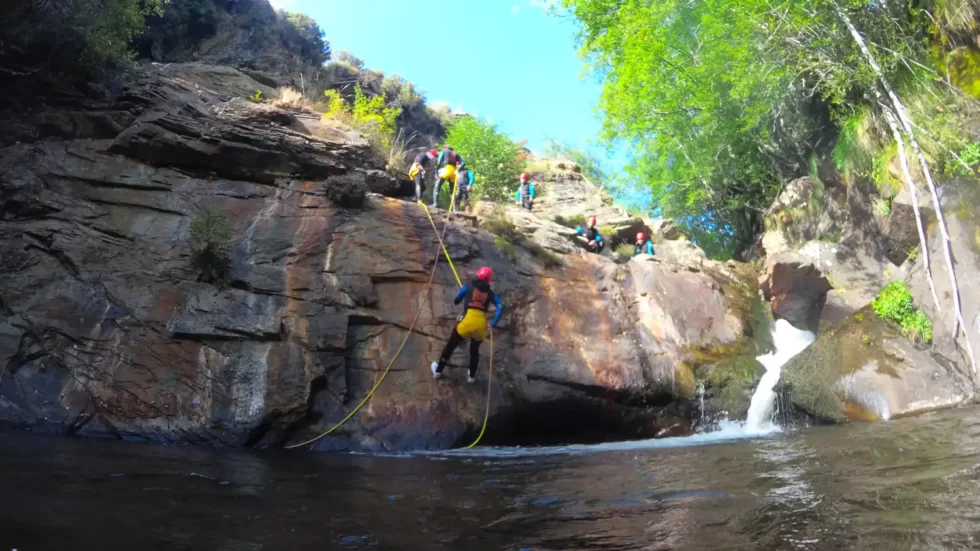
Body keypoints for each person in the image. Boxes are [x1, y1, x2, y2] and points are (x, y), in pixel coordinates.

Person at [431, 266, 502, 383]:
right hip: (480, 326)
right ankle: (471, 376)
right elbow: (500, 307)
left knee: (450, 346)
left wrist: (463, 294)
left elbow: (456, 300)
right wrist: (493, 323)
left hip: (466, 323)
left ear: (478, 275)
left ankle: (438, 371)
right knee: (474, 350)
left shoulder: (468, 286)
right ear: (489, 280)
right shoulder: (490, 294)